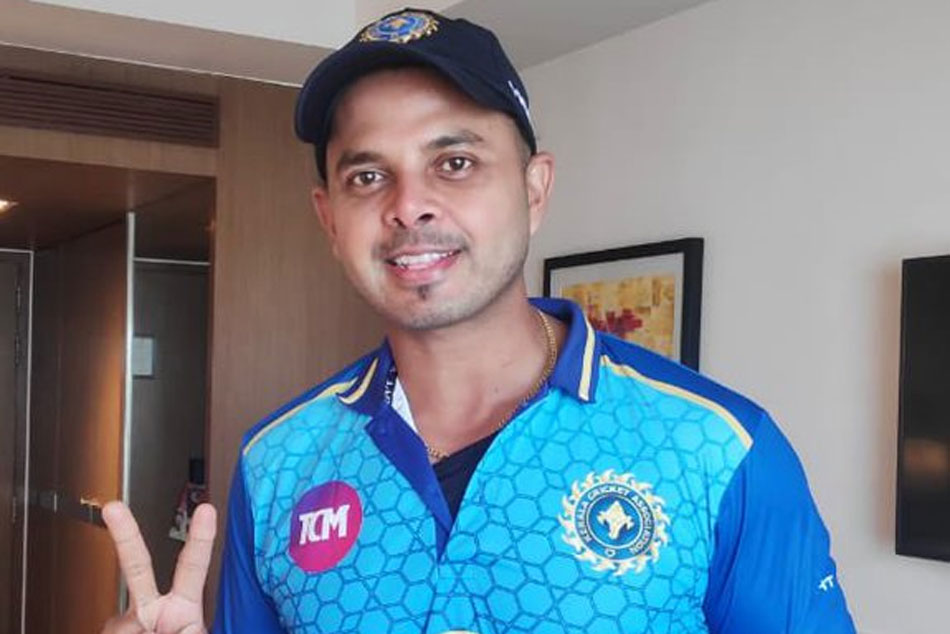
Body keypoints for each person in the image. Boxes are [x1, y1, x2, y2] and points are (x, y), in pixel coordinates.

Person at [101, 8, 857, 634]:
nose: (408, 205)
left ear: (534, 189)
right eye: (368, 175)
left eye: (454, 163)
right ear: (330, 219)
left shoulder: (717, 449)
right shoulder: (277, 465)